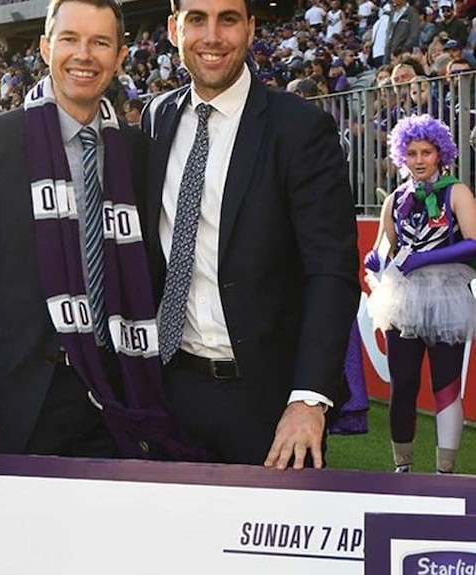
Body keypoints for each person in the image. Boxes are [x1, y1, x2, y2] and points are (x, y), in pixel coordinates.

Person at [0, 0, 194, 493]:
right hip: (19, 404)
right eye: (70, 39)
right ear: (46, 46)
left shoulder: (136, 152)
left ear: (119, 57)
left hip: (117, 395)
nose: (84, 55)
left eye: (100, 42)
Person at [141, 0, 360, 469]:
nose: (213, 36)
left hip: (270, 403)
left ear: (251, 28)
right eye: (197, 19)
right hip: (170, 391)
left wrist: (308, 399)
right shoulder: (156, 118)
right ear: (174, 29)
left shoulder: (300, 128)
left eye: (229, 19)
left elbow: (331, 272)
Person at [365, 114, 476, 474]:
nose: (419, 159)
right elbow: (384, 248)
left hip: (447, 298)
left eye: (426, 152)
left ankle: (445, 473)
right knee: (404, 385)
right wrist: (375, 260)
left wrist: (426, 258)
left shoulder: (456, 191)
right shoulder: (396, 198)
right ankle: (403, 469)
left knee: (445, 386)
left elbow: (474, 242)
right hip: (403, 302)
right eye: (411, 152)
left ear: (440, 153)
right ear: (402, 156)